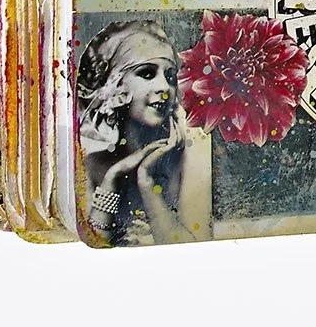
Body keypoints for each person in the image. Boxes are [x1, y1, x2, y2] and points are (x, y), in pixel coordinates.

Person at [74, 20, 212, 246]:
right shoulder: (93, 164)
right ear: (116, 86)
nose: (165, 88)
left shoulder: (192, 149)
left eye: (170, 77)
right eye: (147, 74)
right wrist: (111, 180)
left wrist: (146, 183)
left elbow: (195, 250)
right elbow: (93, 247)